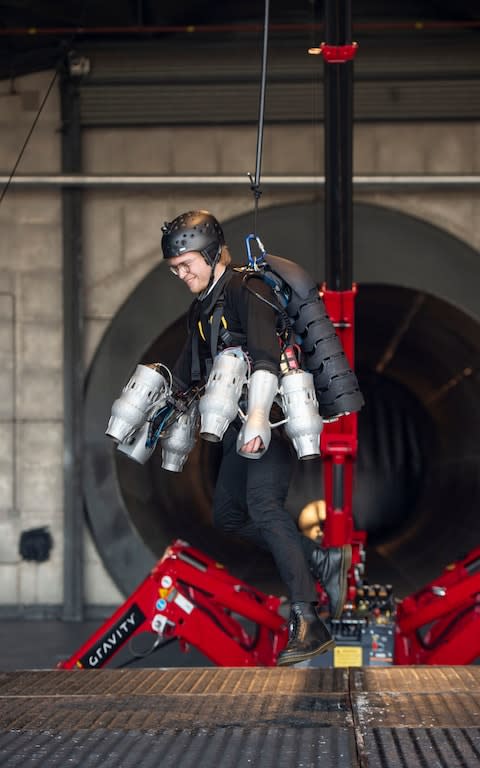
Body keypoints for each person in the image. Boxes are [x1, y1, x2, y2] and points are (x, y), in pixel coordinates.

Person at [161, 209, 353, 666]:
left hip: (270, 419)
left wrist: (259, 420)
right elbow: (190, 374)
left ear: (210, 253)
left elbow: (266, 357)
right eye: (175, 268)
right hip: (235, 423)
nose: (181, 273)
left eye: (187, 263)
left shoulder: (249, 289)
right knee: (229, 515)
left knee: (264, 508)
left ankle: (308, 620)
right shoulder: (200, 310)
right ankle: (324, 562)